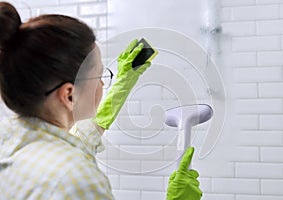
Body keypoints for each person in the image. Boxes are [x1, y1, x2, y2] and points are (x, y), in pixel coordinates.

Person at [0, 2, 202, 199]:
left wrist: (124, 82)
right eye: (99, 76)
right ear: (69, 95)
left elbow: (82, 139)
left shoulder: (8, 142)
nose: (103, 85)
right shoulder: (76, 179)